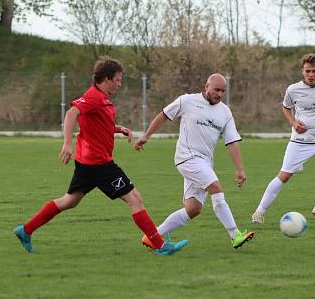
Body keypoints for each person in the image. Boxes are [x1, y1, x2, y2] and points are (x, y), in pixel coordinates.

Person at [14, 56, 188, 255]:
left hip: (87, 163)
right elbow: (72, 114)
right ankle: (159, 245)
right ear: (106, 78)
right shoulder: (94, 96)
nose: (120, 84)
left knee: (70, 200)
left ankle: (25, 230)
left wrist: (118, 129)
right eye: (117, 80)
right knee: (134, 198)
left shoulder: (102, 100)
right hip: (99, 164)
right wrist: (67, 143)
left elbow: (96, 124)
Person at [134, 73, 255, 249]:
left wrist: (239, 169)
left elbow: (232, 141)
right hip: (187, 157)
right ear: (206, 86)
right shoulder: (187, 101)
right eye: (216, 89)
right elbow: (164, 115)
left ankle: (153, 236)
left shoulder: (225, 112)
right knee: (216, 187)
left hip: (205, 163)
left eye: (222, 91)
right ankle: (235, 235)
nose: (219, 94)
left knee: (193, 209)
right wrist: (146, 136)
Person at [251, 53, 315, 224]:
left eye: (314, 71)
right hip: (301, 141)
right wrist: (293, 122)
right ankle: (259, 212)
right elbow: (286, 108)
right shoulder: (293, 89)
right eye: (308, 71)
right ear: (302, 72)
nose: (311, 75)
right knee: (285, 175)